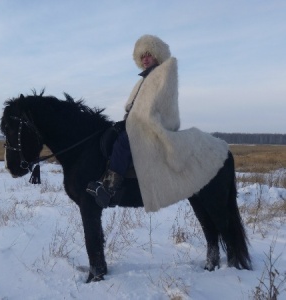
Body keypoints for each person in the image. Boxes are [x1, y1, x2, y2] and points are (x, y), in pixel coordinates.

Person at [88, 34, 229, 212]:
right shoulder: (144, 79)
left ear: (157, 54)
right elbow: (135, 109)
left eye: (149, 54)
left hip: (153, 128)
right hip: (138, 125)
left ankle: (109, 188)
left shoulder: (164, 75)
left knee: (124, 142)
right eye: (142, 56)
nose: (145, 59)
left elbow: (160, 107)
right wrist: (126, 122)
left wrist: (135, 123)